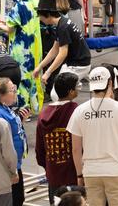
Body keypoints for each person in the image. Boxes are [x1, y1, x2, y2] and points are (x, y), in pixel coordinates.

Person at [67, 67, 118, 206]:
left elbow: (76, 149)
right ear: (110, 83)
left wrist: (79, 175)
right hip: (117, 172)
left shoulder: (79, 111)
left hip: (91, 173)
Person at [36, 72, 80, 204]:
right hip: (73, 172)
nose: (79, 88)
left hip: (53, 173)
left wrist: (48, 167)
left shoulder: (43, 114)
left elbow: (40, 148)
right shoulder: (75, 110)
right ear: (71, 92)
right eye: (77, 86)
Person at [34, 0, 92, 96]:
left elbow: (62, 53)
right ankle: (73, 88)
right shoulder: (62, 23)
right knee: (61, 93)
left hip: (78, 65)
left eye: (40, 15)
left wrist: (47, 73)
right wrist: (40, 67)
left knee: (56, 94)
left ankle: (72, 91)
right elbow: (55, 49)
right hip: (78, 62)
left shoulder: (63, 27)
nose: (39, 18)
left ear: (47, 14)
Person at [0, 78, 28, 206]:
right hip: (7, 167)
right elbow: (1, 144)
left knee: (19, 199)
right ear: (1, 95)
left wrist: (21, 120)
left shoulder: (6, 108)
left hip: (15, 164)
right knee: (14, 201)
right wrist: (11, 170)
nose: (15, 93)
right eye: (12, 90)